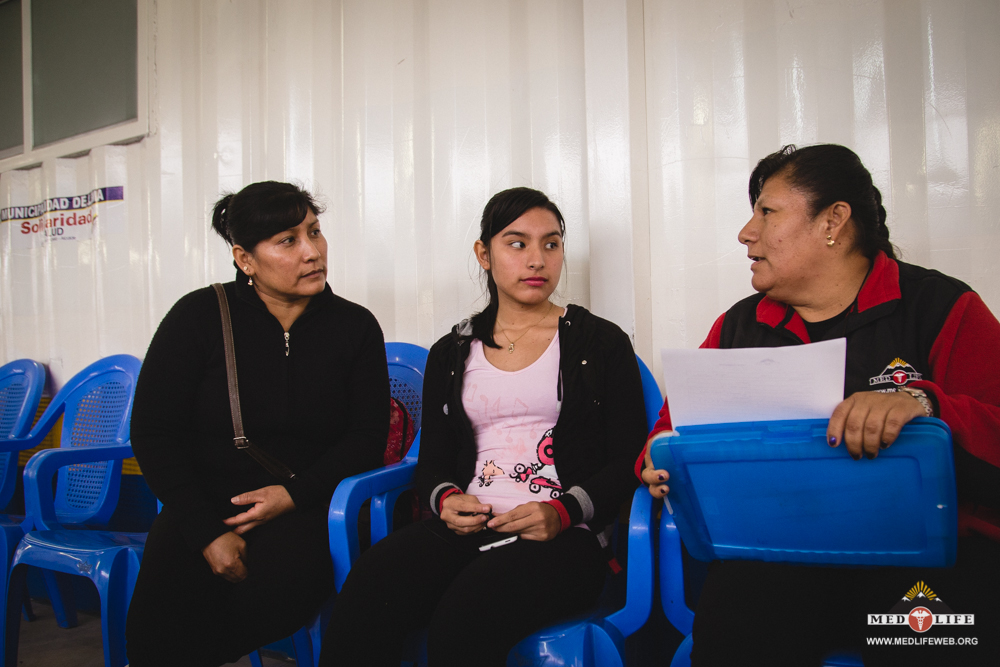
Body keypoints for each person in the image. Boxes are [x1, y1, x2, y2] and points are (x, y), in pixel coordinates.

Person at [640, 144, 1000, 666]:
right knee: (736, 619)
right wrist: (656, 460)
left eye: (767, 212)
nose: (746, 232)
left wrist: (924, 403)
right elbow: (669, 434)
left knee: (932, 638)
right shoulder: (740, 327)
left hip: (927, 562)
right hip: (780, 558)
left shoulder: (940, 307)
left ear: (833, 221)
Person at [320, 187, 649, 667]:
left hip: (564, 537)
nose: (537, 259)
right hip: (474, 526)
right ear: (484, 254)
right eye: (517, 244)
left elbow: (629, 459)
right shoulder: (451, 353)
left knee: (465, 617)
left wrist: (560, 512)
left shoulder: (600, 343)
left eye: (551, 244)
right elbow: (432, 461)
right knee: (370, 587)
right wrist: (447, 499)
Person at [126, 181, 390, 667]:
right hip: (206, 504)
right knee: (161, 618)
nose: (312, 252)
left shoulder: (354, 327)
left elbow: (367, 439)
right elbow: (153, 432)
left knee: (275, 590)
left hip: (308, 506)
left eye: (314, 232)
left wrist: (292, 496)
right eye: (288, 240)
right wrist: (206, 531)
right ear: (245, 259)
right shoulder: (198, 317)